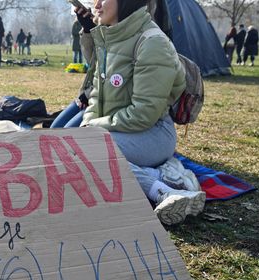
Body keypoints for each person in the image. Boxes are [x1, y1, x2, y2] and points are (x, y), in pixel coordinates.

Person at [72, 1, 205, 225]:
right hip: (118, 129)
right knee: (73, 148)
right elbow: (95, 96)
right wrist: (87, 127)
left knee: (87, 151)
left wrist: (93, 131)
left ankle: (164, 190)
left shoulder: (153, 43)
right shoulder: (109, 37)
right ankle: (159, 175)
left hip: (153, 133)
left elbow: (143, 113)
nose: (95, 4)